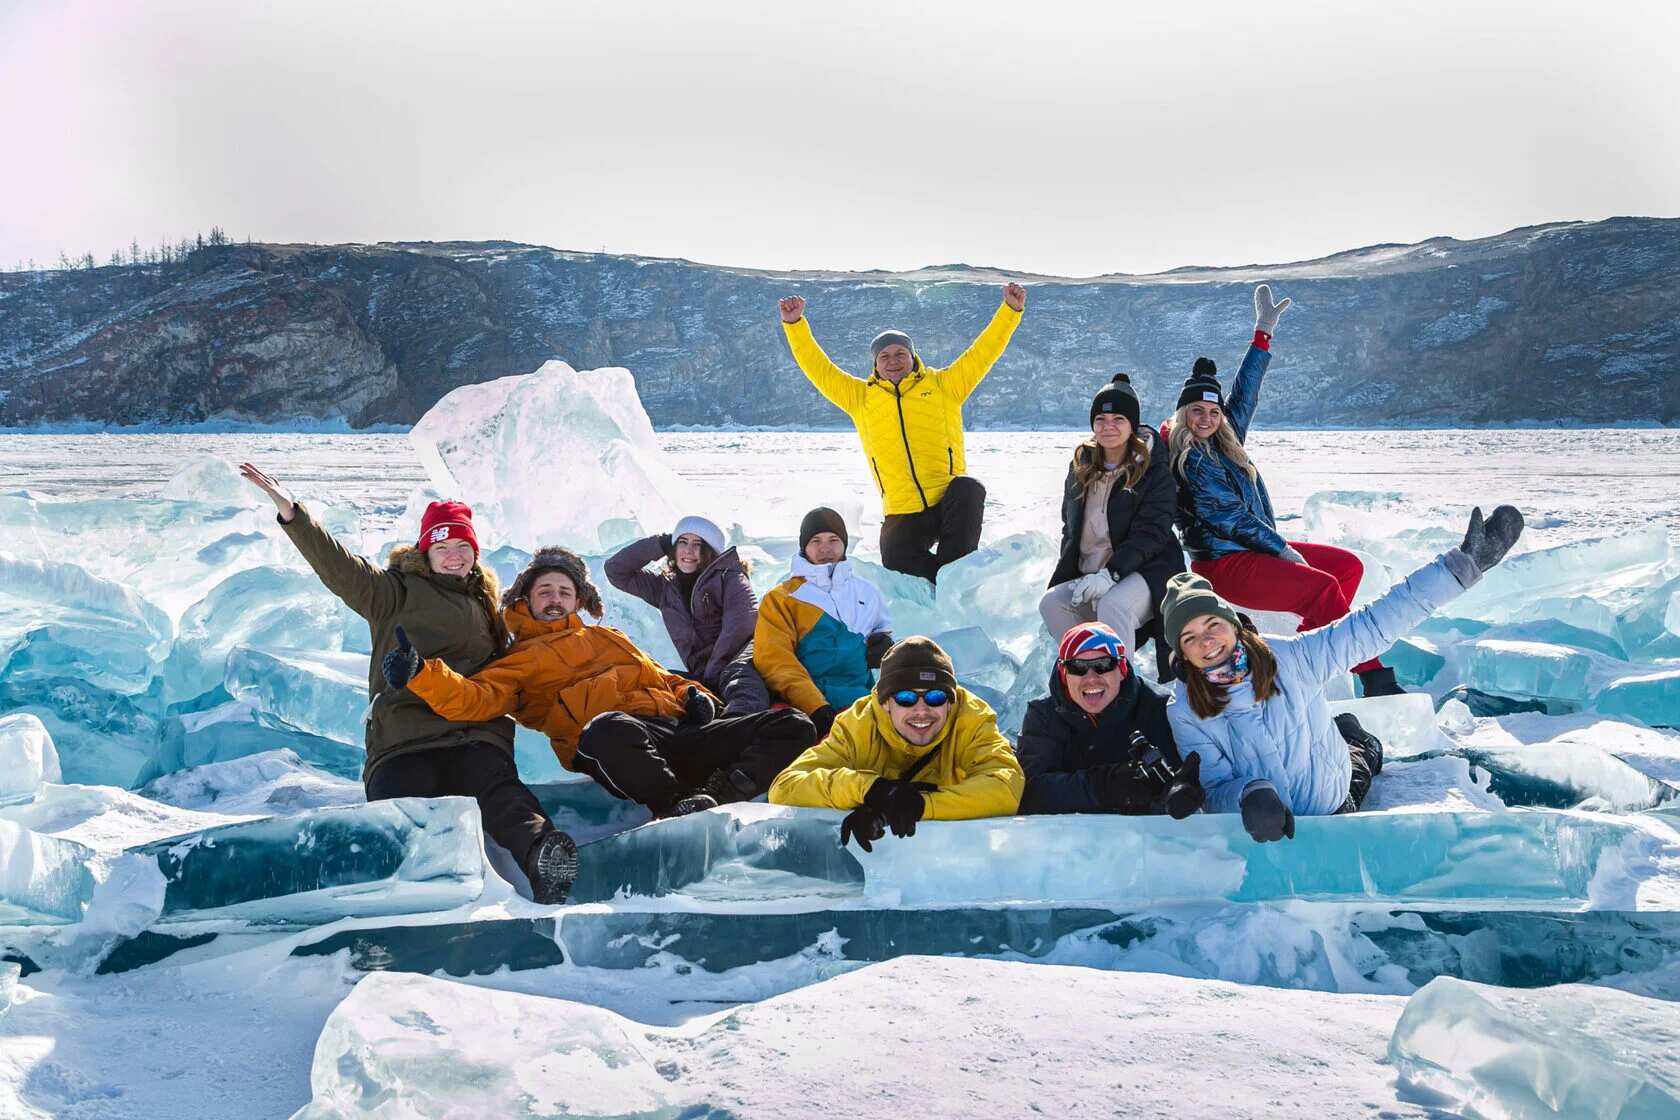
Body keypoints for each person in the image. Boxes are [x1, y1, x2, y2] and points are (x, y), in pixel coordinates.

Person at [237, 464, 578, 905]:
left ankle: (544, 856)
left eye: (463, 546)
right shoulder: (394, 592)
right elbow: (342, 569)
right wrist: (294, 515)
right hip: (404, 738)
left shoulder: (487, 605)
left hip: (474, 736)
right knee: (399, 816)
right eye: (443, 546)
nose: (454, 556)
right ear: (425, 550)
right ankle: (392, 897)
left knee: (503, 797)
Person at [1161, 505, 1524, 842]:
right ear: (1182, 653)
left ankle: (1358, 738)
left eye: (1213, 625)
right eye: (1190, 637)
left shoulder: (1292, 658)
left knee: (1363, 759)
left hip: (1333, 799)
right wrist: (1248, 794)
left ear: (1234, 625)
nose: (1207, 642)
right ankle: (1346, 732)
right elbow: (1214, 786)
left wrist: (1458, 570)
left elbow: (1373, 624)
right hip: (1264, 827)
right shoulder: (1184, 709)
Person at [385, 547, 817, 818]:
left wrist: (693, 694)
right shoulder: (518, 661)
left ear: (578, 600)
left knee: (793, 725)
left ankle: (719, 794)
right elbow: (474, 698)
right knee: (608, 728)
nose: (555, 599)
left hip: (677, 733)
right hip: (616, 747)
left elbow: (663, 677)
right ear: (525, 599)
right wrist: (421, 673)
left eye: (564, 592)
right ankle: (673, 804)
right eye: (545, 591)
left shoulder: (609, 637)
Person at [1167, 284, 1405, 698]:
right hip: (1223, 564)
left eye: (1213, 411)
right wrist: (1282, 550)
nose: (1206, 418)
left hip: (1251, 552)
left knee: (1348, 568)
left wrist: (1263, 333)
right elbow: (1232, 519)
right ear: (1183, 414)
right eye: (1197, 411)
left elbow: (1246, 394)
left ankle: (1309, 647)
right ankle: (1374, 677)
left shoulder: (1225, 440)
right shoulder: (1191, 461)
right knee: (1322, 588)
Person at [777, 282, 1027, 583]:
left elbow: (983, 353)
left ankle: (955, 579)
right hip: (903, 510)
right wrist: (795, 325)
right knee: (895, 559)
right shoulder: (860, 398)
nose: (893, 361)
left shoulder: (944, 386)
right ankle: (943, 584)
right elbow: (819, 369)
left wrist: (1010, 311)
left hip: (946, 500)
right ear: (875, 363)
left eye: (900, 354)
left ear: (913, 357)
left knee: (969, 488)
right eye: (884, 356)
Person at [768, 636, 1024, 850]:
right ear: (885, 703)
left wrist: (921, 806)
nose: (921, 710)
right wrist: (872, 790)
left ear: (950, 702)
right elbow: (786, 787)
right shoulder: (859, 724)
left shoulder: (971, 718)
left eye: (935, 697)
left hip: (955, 855)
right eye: (906, 698)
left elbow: (1005, 787)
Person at [1040, 373, 1185, 678]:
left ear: (1132, 425)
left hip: (1146, 570)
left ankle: (1122, 688)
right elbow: (1070, 529)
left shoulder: (1153, 469)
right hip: (1093, 572)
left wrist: (1112, 574)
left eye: (1119, 419)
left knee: (1113, 604)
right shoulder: (1081, 466)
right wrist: (1074, 573)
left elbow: (1152, 533)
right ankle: (1082, 676)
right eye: (1101, 419)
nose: (1109, 426)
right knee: (1052, 603)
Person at [1016, 623, 1202, 817]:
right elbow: (1030, 792)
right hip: (1067, 834)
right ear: (1064, 674)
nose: (1091, 678)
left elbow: (1182, 779)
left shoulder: (1159, 706)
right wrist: (1105, 786)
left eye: (1103, 665)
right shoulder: (1043, 715)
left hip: (1145, 832)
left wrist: (1183, 790)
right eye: (1077, 667)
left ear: (1121, 670)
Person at [605, 515, 768, 714]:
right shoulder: (665, 589)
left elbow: (740, 628)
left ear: (710, 550)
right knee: (657, 680)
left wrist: (713, 672)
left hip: (739, 658)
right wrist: (662, 543)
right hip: (703, 675)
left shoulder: (730, 577)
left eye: (697, 544)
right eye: (683, 542)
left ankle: (742, 719)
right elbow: (616, 570)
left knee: (737, 678)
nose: (688, 550)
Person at [754, 507, 893, 739]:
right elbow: (774, 660)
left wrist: (884, 642)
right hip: (802, 708)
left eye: (833, 540)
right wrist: (815, 706)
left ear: (844, 544)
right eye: (816, 541)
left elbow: (883, 629)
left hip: (859, 702)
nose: (825, 548)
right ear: (804, 547)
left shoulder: (866, 592)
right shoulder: (781, 598)